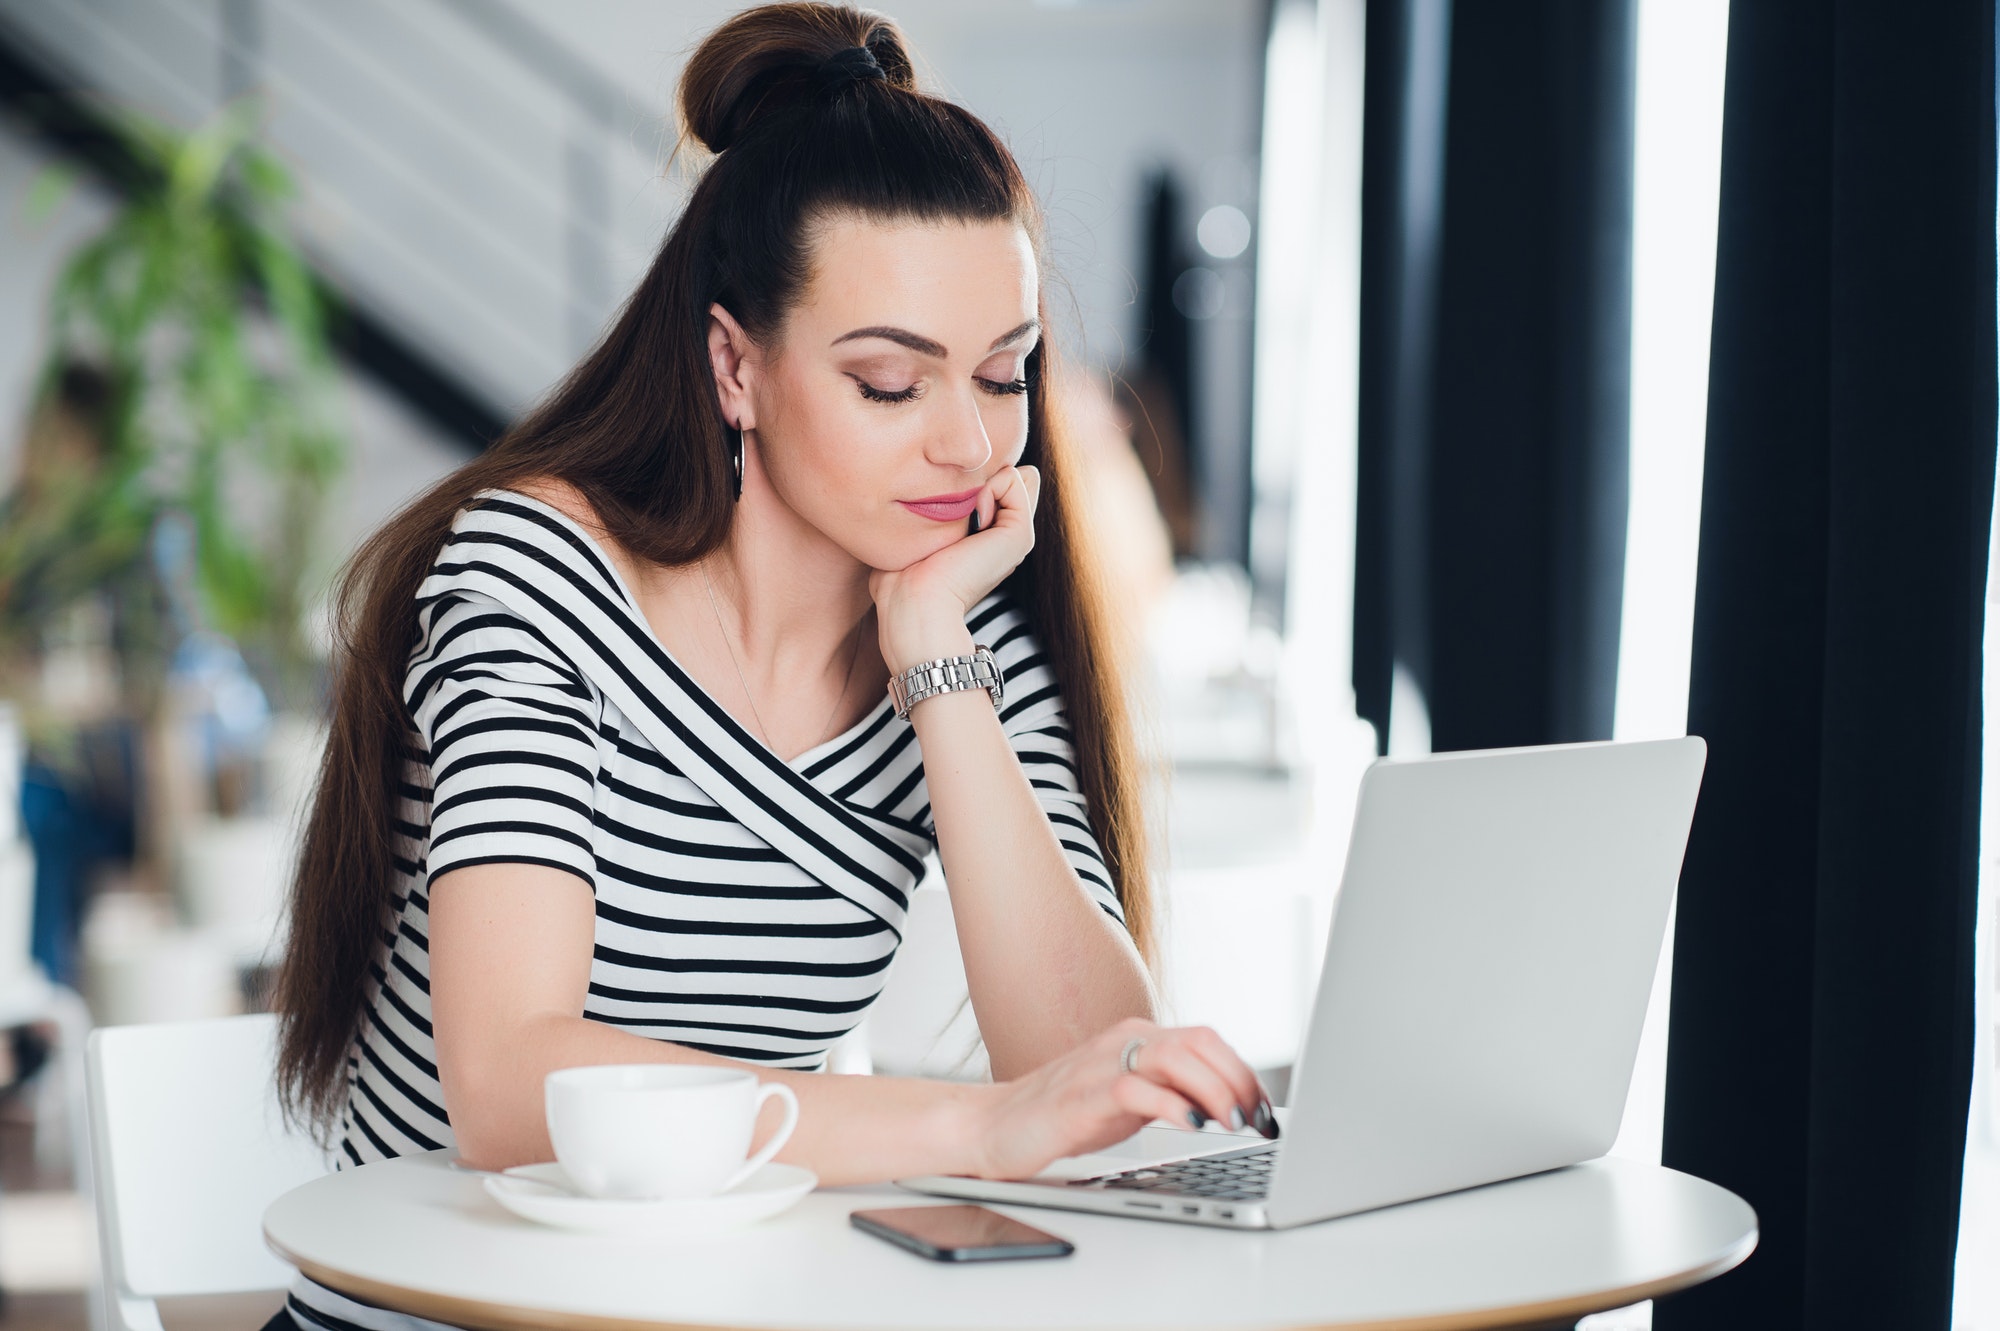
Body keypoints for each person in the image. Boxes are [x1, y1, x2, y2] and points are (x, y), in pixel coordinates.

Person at [272, 5, 1268, 1326]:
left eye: (1003, 374)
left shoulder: (955, 630)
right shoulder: (534, 582)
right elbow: (514, 1088)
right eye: (888, 385)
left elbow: (1096, 1072)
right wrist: (974, 1128)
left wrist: (932, 659)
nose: (969, 447)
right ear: (736, 367)